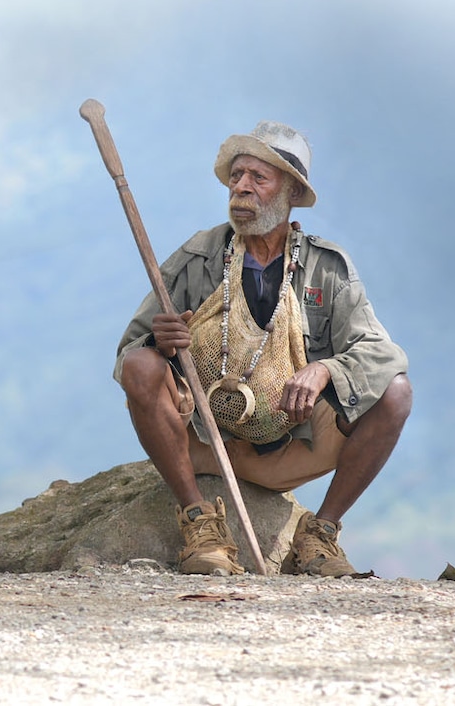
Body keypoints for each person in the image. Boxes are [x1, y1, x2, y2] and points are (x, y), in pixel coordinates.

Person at [114, 121, 411, 576]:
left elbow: (381, 353)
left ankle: (319, 535)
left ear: (290, 190)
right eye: (236, 177)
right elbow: (129, 351)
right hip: (205, 438)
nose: (241, 188)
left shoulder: (325, 268)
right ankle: (200, 524)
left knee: (395, 394)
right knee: (140, 365)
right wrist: (163, 343)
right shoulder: (198, 258)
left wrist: (325, 370)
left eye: (258, 177)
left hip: (294, 442)